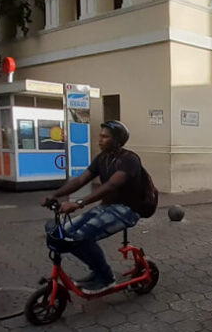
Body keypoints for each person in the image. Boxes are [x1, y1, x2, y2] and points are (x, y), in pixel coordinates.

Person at [42, 121, 158, 294]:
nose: (100, 140)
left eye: (105, 137)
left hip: (127, 211)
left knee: (80, 237)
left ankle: (106, 278)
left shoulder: (129, 159)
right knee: (64, 234)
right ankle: (98, 270)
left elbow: (111, 185)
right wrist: (55, 195)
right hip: (107, 207)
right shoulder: (102, 158)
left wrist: (79, 203)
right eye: (100, 136)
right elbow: (81, 180)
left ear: (117, 140)